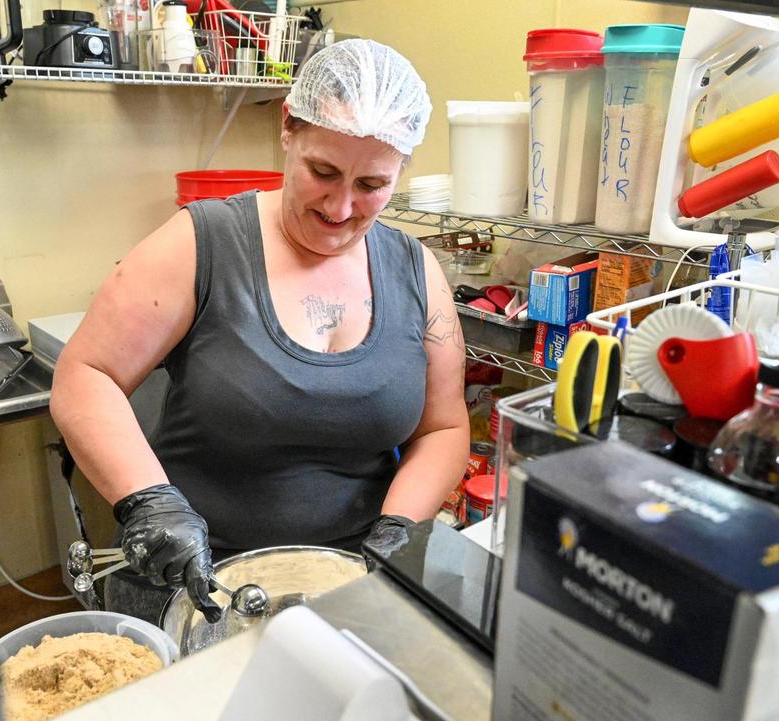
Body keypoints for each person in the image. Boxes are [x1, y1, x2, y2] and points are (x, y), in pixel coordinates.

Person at [50, 38, 469, 625]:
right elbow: (85, 375)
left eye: (371, 185)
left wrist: (398, 528)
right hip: (197, 582)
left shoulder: (414, 270)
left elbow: (444, 425)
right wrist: (149, 501)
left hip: (348, 585)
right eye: (323, 172)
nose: (342, 207)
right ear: (288, 129)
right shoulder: (202, 243)